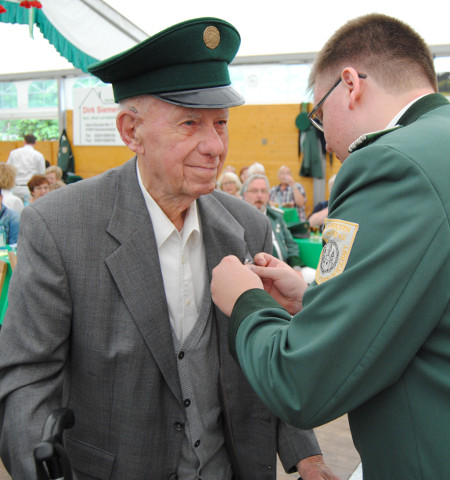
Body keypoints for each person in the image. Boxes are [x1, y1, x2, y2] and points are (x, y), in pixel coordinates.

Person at [0, 18, 338, 480]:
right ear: (130, 131)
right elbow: (26, 379)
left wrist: (307, 455)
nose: (215, 146)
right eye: (190, 123)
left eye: (221, 123)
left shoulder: (247, 227)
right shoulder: (60, 227)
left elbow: (266, 356)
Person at [210, 13, 450, 480]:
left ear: (350, 86)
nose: (324, 138)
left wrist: (245, 302)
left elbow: (305, 383)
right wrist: (312, 301)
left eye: (318, 116)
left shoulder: (389, 163)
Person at [243, 174, 315, 283]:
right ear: (245, 195)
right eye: (254, 191)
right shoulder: (239, 219)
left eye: (263, 191)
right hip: (260, 275)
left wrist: (295, 268)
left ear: (268, 195)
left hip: (287, 267)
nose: (259, 196)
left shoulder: (276, 216)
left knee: (319, 278)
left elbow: (290, 243)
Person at [6, 134, 46, 201]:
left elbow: (8, 170)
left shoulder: (13, 153)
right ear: (35, 142)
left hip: (15, 187)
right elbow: (42, 173)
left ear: (24, 141)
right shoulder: (38, 155)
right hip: (30, 188)